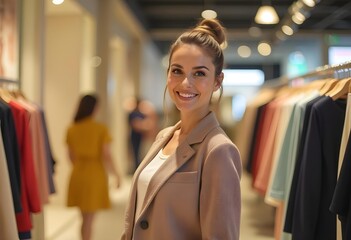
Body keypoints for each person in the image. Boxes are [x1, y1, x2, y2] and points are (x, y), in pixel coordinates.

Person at [121, 18, 242, 240]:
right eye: (177, 70)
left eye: (199, 73)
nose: (185, 83)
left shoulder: (219, 150)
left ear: (217, 81)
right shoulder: (164, 136)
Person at [66, 94, 121, 240]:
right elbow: (106, 155)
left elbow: (70, 156)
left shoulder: (72, 128)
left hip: (77, 173)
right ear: (94, 108)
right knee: (89, 220)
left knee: (83, 218)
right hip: (94, 173)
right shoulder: (100, 128)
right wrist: (117, 175)